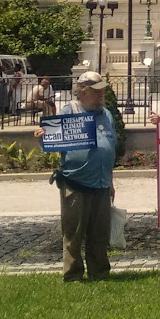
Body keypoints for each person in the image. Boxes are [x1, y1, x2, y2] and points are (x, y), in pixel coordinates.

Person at [34, 71, 117, 282]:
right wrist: (43, 136)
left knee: (99, 233)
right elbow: (51, 139)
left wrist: (111, 181)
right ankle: (73, 275)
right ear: (84, 92)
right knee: (74, 233)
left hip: (101, 183)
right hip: (75, 182)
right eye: (97, 92)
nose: (102, 96)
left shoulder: (105, 114)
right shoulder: (67, 112)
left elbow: (110, 148)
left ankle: (100, 272)